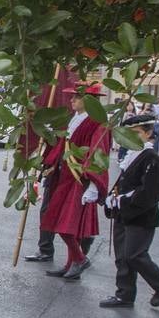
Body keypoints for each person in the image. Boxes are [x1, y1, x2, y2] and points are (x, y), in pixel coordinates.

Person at [99, 114, 159, 309]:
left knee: (135, 255)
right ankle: (125, 293)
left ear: (148, 133)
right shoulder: (132, 154)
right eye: (128, 133)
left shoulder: (151, 157)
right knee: (122, 257)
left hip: (141, 215)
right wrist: (111, 197)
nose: (131, 137)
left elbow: (153, 191)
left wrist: (125, 200)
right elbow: (124, 182)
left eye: (136, 133)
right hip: (123, 213)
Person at [36, 85, 110, 279]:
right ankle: (72, 264)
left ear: (89, 101)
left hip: (81, 179)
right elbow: (62, 146)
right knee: (58, 220)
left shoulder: (98, 123)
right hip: (64, 177)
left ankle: (78, 259)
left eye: (77, 97)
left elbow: (99, 153)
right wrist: (50, 163)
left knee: (66, 225)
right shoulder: (73, 120)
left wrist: (94, 184)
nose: (72, 100)